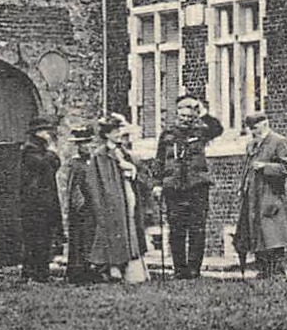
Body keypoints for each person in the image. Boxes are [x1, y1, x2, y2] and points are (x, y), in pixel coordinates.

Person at [150, 94, 224, 279]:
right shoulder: (167, 134)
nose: (186, 120)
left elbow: (218, 129)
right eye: (183, 116)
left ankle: (194, 269)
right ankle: (179, 269)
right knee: (176, 229)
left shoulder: (201, 131)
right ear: (177, 115)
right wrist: (157, 184)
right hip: (173, 188)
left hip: (197, 187)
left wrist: (203, 112)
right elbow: (159, 161)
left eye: (190, 117)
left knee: (197, 228)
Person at [83, 113, 150, 283]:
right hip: (112, 200)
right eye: (114, 131)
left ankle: (131, 267)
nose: (119, 133)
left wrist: (133, 171)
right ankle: (113, 267)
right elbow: (95, 183)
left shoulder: (123, 152)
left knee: (130, 226)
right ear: (106, 134)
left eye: (119, 130)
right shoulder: (101, 155)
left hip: (127, 193)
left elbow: (138, 171)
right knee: (115, 230)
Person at [236, 111, 287, 279]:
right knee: (256, 232)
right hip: (253, 196)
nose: (254, 132)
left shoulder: (279, 141)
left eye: (256, 128)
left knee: (273, 233)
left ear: (265, 124)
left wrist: (265, 167)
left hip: (272, 195)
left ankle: (277, 271)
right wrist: (243, 186)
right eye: (251, 129)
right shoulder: (251, 145)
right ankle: (263, 269)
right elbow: (247, 167)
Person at [18, 118, 62, 282]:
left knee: (43, 238)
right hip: (35, 203)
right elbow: (45, 164)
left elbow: (56, 164)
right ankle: (33, 274)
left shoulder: (40, 149)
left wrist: (51, 154)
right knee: (36, 239)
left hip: (44, 200)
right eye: (45, 131)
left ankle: (40, 273)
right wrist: (51, 151)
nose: (48, 134)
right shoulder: (30, 150)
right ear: (37, 133)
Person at [62, 124, 99, 284]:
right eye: (82, 144)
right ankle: (77, 271)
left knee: (90, 238)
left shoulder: (93, 162)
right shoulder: (75, 164)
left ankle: (89, 268)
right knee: (79, 238)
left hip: (93, 205)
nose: (86, 147)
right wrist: (79, 204)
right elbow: (73, 186)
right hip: (81, 207)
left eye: (88, 143)